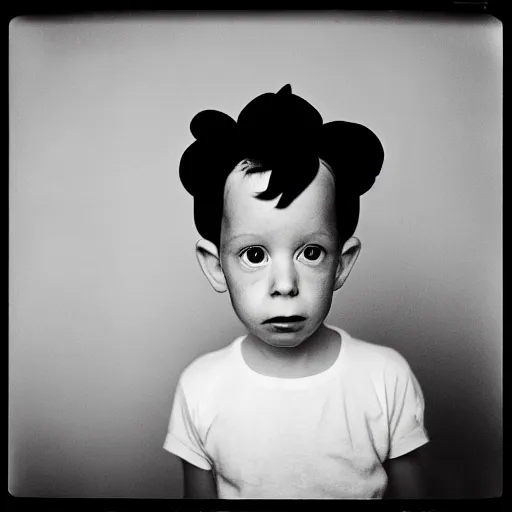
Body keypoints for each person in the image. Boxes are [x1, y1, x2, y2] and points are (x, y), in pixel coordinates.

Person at [164, 85, 430, 499]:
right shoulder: (200, 388)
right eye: (254, 254)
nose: (285, 285)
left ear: (342, 262)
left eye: (310, 252)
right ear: (216, 266)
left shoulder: (386, 378)